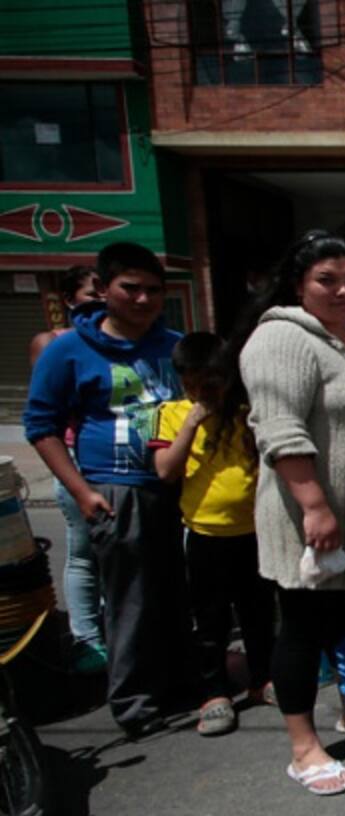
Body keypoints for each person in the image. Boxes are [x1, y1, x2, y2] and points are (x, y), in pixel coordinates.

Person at [237, 231, 345, 795]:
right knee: (303, 628)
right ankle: (303, 747)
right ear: (297, 285)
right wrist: (314, 506)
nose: (344, 289)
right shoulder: (282, 339)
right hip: (315, 515)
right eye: (327, 280)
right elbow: (279, 429)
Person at [24, 243, 186, 739]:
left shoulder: (174, 345)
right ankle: (134, 703)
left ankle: (177, 687)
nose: (142, 299)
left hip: (174, 488)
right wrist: (81, 490)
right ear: (103, 288)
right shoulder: (68, 349)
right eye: (129, 288)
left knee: (172, 593)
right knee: (129, 599)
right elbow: (42, 426)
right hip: (114, 489)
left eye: (153, 290)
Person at [150, 332, 275, 737]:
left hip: (253, 532)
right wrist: (191, 421)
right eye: (192, 384)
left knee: (258, 612)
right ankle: (214, 693)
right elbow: (166, 471)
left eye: (212, 383)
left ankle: (262, 680)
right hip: (205, 534)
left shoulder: (244, 413)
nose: (203, 392)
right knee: (211, 619)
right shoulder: (170, 413)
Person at [28, 266, 108, 674]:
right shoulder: (55, 344)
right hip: (80, 461)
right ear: (69, 301)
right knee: (83, 553)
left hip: (126, 465)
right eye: (93, 294)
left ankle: (116, 629)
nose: (103, 302)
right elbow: (45, 417)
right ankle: (86, 638)